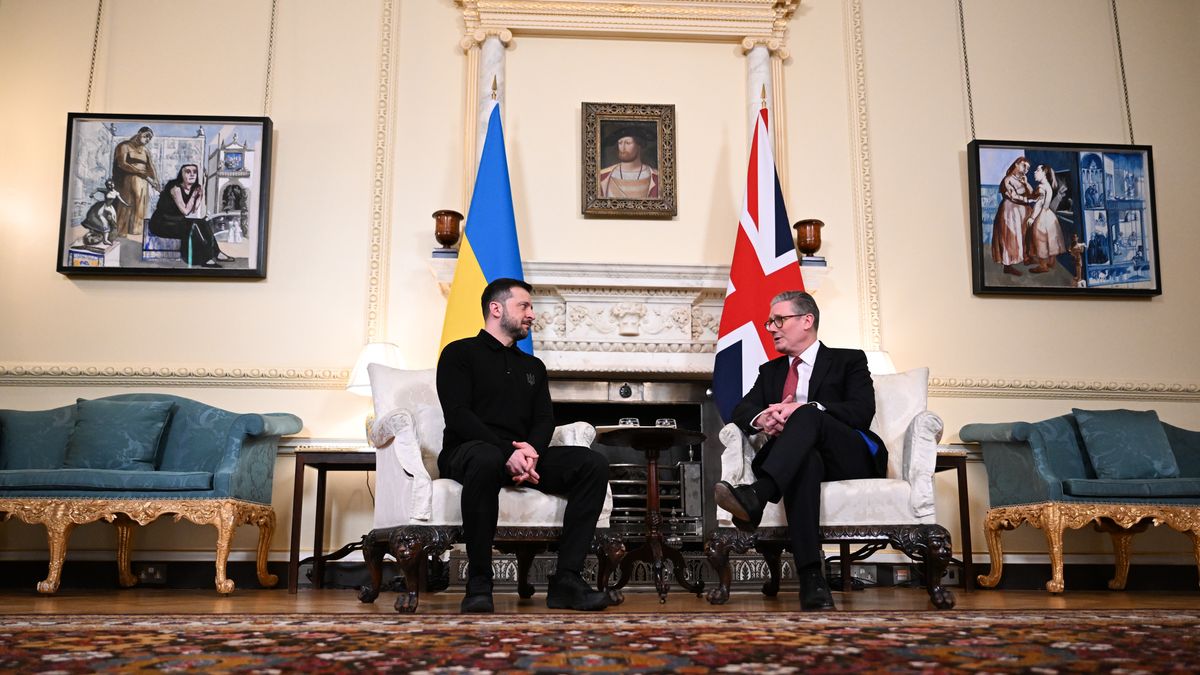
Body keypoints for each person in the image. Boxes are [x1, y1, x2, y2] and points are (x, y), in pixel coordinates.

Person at [436, 278, 611, 613]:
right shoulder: (459, 354)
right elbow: (459, 415)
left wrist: (529, 452)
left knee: (592, 464)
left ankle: (567, 581)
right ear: (496, 308)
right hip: (469, 452)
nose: (532, 314)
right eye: (524, 306)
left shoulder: (533, 367)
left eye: (531, 307)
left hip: (522, 458)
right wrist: (508, 453)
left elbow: (544, 419)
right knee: (487, 458)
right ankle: (479, 583)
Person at [713, 291, 887, 611]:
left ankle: (758, 493)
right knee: (804, 460)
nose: (772, 328)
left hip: (847, 455)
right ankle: (811, 579)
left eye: (779, 320)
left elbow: (861, 412)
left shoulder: (849, 360)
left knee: (807, 413)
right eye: (770, 322)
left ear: (807, 321)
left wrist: (805, 411)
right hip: (798, 460)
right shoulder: (771, 371)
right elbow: (742, 409)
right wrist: (762, 417)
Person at [148, 164, 234, 268]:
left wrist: (200, 196)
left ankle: (217, 253)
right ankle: (205, 258)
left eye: (194, 172)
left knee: (202, 222)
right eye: (188, 171)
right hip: (161, 223)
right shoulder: (175, 188)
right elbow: (185, 211)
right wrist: (194, 195)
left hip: (176, 221)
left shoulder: (191, 188)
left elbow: (194, 210)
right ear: (182, 174)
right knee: (193, 226)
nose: (192, 174)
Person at [111, 126, 160, 238]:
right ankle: (121, 230)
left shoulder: (145, 151)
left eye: (150, 138)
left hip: (143, 181)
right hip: (128, 179)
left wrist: (156, 180)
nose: (147, 139)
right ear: (139, 133)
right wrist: (138, 171)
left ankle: (136, 231)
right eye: (146, 136)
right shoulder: (124, 146)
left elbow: (151, 166)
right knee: (127, 203)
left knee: (141, 204)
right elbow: (122, 163)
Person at [989, 156, 1034, 277]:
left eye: (1028, 168)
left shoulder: (1022, 180)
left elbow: (1031, 192)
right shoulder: (1007, 179)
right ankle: (1008, 265)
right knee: (1010, 236)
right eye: (1024, 166)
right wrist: (1028, 199)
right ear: (1017, 164)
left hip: (1023, 212)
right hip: (1010, 211)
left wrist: (1026, 183)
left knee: (1024, 235)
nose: (1026, 170)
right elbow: (1012, 196)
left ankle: (1025, 257)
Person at [1025, 164, 1067, 274]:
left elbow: (1039, 204)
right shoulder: (1048, 186)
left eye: (1037, 170)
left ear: (1044, 173)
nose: (1034, 172)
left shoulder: (1041, 187)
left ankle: (1043, 265)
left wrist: (1032, 217)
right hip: (1050, 216)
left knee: (1041, 240)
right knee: (1051, 238)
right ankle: (1051, 262)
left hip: (1042, 216)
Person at [597, 127, 659, 199]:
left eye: (628, 143)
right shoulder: (603, 176)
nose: (622, 148)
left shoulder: (656, 177)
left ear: (639, 145)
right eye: (620, 143)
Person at [80, 180, 128, 246]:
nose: (110, 186)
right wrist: (92, 194)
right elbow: (97, 189)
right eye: (108, 185)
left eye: (111, 184)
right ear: (107, 186)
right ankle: (103, 239)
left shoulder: (116, 193)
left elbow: (121, 200)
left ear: (113, 184)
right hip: (103, 208)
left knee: (113, 223)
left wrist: (126, 204)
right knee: (103, 223)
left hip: (110, 208)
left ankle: (108, 238)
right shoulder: (106, 191)